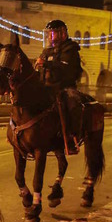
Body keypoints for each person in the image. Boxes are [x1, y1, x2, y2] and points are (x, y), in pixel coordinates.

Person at [35, 19, 83, 154]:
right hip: (47, 87)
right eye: (49, 33)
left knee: (72, 103)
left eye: (53, 33)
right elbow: (40, 68)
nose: (50, 36)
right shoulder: (47, 51)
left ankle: (72, 137)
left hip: (64, 86)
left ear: (62, 33)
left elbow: (65, 68)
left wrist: (46, 64)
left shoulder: (70, 49)